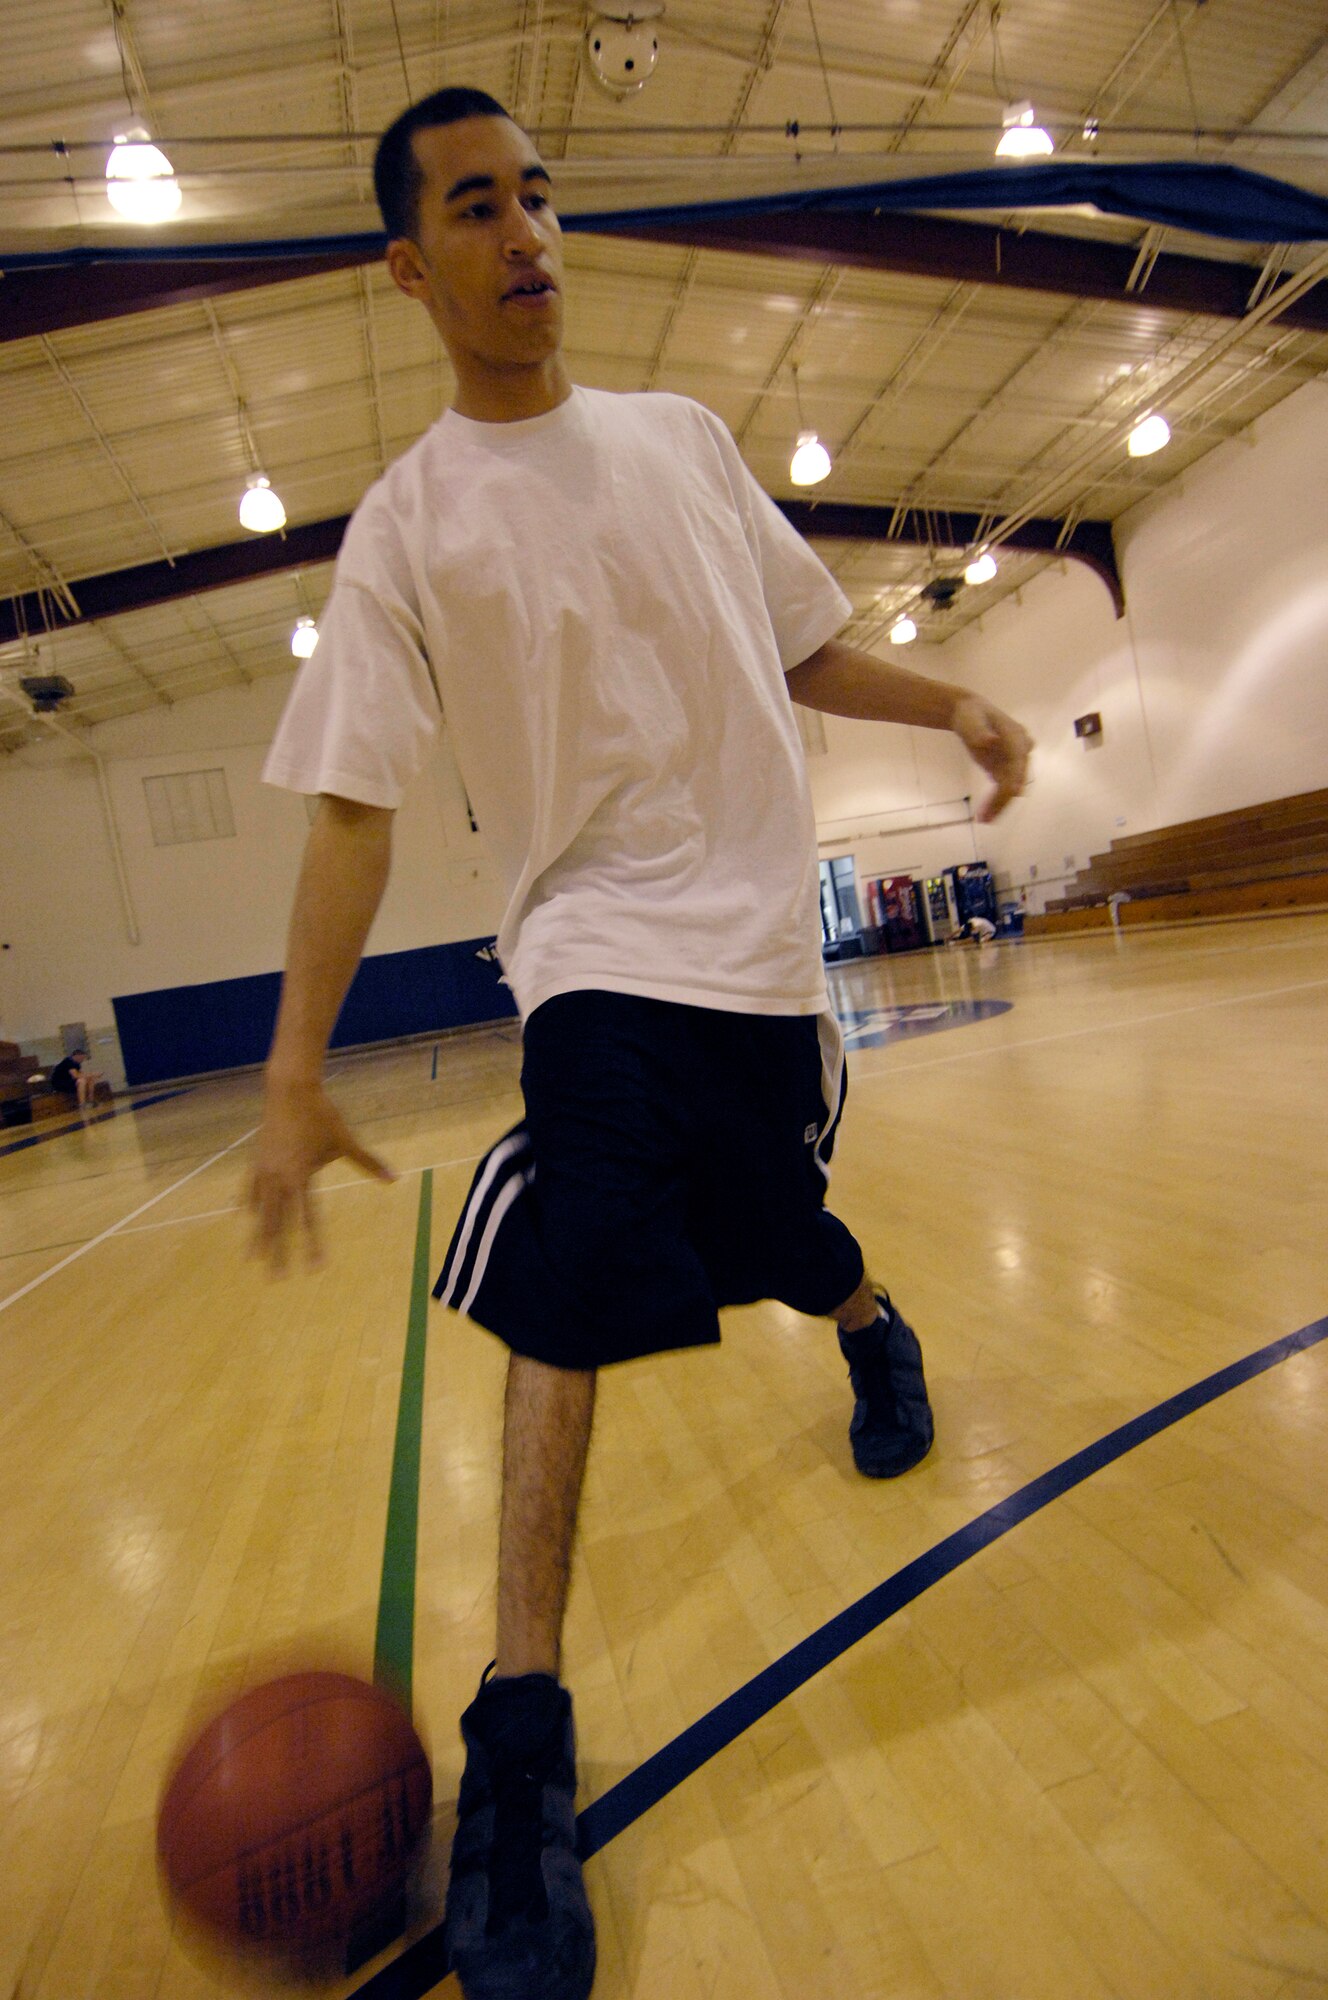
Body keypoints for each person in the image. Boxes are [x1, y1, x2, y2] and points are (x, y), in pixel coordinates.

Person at [248, 87, 1032, 2000]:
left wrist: (948, 702)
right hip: (590, 959)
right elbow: (351, 805)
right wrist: (288, 1072)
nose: (522, 233)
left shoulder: (677, 441)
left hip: (760, 961)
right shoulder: (408, 529)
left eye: (535, 196)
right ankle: (519, 1750)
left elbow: (793, 645)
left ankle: (867, 1322)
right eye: (470, 206)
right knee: (574, 1253)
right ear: (404, 263)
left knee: (784, 1253)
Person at [47, 1047, 105, 1111]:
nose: (83, 1059)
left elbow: (81, 1074)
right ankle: (82, 1105)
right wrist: (93, 1074)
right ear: (77, 1056)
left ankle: (91, 1101)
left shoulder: (77, 1064)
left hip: (68, 1081)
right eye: (82, 1058)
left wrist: (91, 1076)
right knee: (81, 1081)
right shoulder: (68, 1061)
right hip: (59, 1083)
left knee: (89, 1079)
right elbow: (76, 1075)